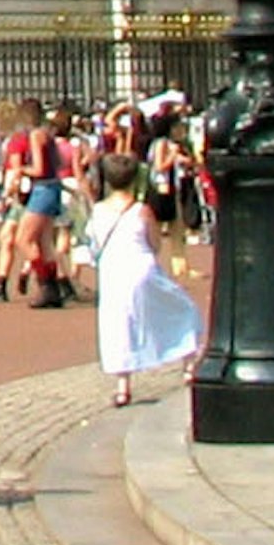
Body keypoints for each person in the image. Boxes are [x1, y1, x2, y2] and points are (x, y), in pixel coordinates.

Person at [82, 152, 202, 407]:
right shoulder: (141, 209)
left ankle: (123, 386)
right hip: (141, 266)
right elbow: (155, 243)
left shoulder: (99, 210)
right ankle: (188, 363)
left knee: (118, 324)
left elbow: (92, 240)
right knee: (181, 308)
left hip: (113, 271)